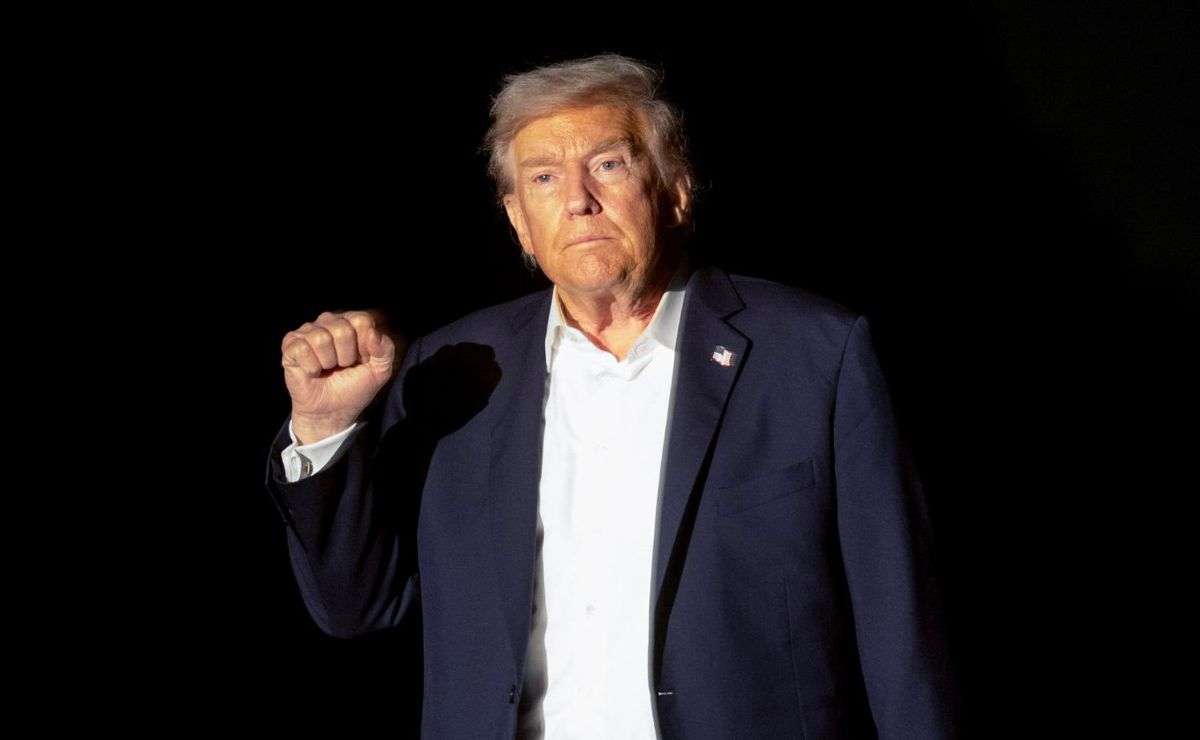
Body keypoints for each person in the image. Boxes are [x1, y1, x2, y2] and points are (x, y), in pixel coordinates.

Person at [263, 53, 961, 738]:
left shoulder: (814, 355)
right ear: (517, 220)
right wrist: (324, 426)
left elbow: (900, 626)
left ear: (675, 190)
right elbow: (355, 607)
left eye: (608, 164)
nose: (577, 199)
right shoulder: (453, 373)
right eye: (544, 177)